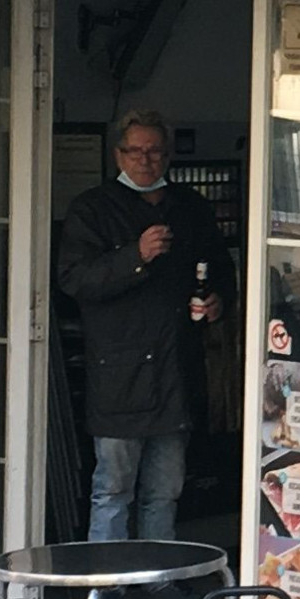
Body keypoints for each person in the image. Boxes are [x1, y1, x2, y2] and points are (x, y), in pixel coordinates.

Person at [54, 107, 223, 553]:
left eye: (155, 151)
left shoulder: (189, 207)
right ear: (118, 154)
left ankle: (156, 580)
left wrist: (217, 301)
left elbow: (220, 270)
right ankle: (105, 585)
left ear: (168, 155)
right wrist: (136, 255)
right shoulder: (92, 208)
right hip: (119, 375)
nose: (146, 160)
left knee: (165, 489)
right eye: (136, 151)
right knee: (112, 489)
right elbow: (74, 280)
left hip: (175, 370)